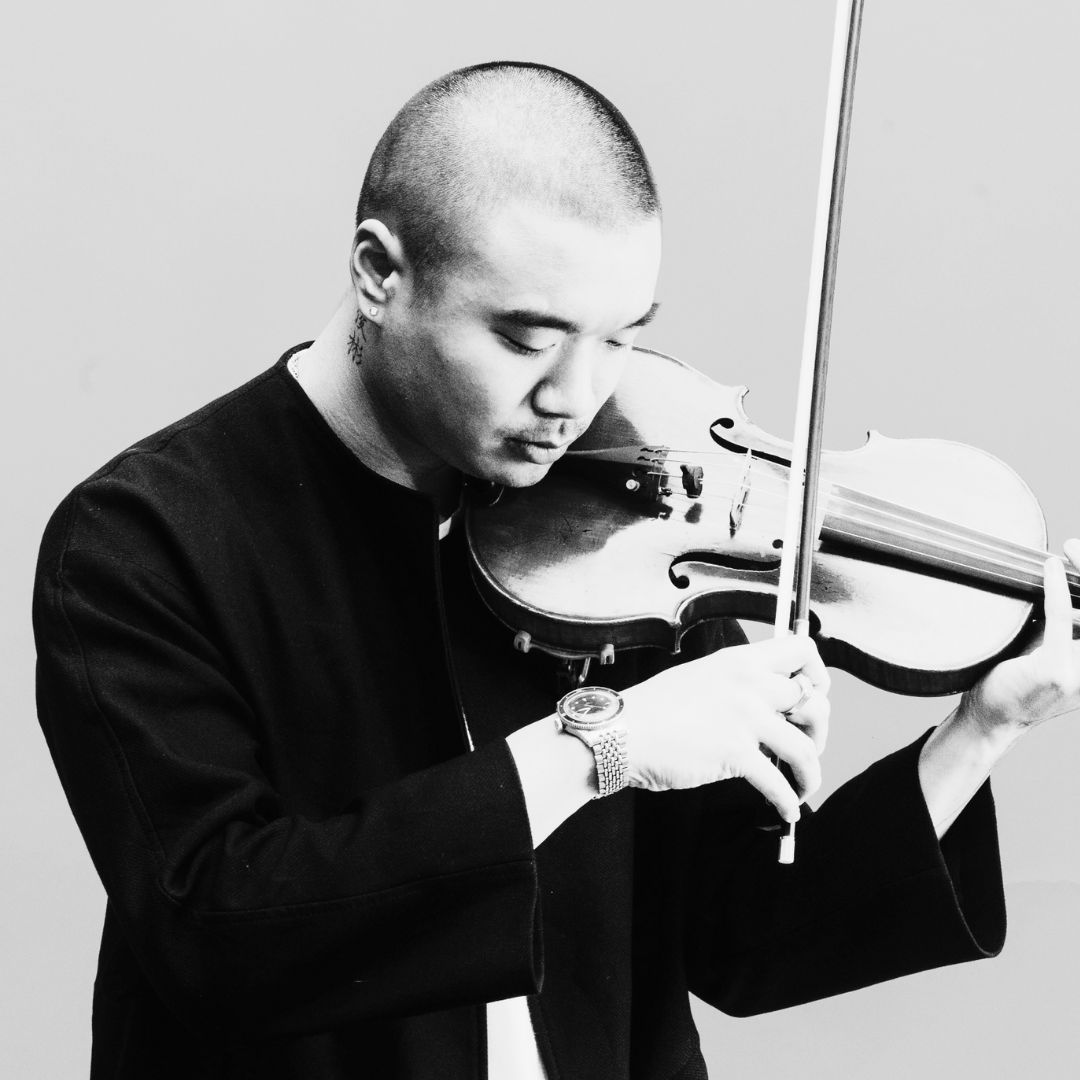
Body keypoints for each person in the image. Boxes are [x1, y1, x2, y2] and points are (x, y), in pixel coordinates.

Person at [32, 61, 1080, 1080]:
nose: (575, 399)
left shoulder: (622, 526)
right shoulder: (141, 540)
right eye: (528, 338)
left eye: (619, 338)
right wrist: (598, 750)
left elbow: (739, 938)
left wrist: (984, 726)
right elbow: (216, 933)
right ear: (380, 273)